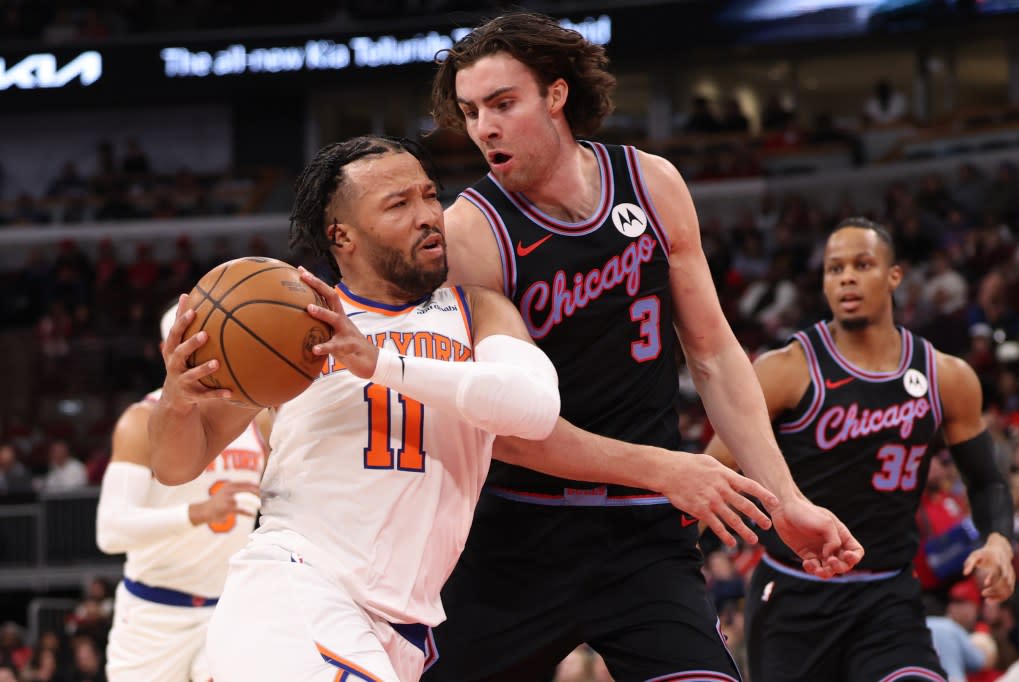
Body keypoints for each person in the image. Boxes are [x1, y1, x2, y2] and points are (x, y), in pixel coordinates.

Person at [425, 11, 863, 681]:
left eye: (502, 103)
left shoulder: (651, 184)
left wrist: (787, 500)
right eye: (471, 109)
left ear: (556, 94)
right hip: (516, 534)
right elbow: (502, 430)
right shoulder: (471, 233)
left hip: (641, 540)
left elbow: (714, 353)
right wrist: (663, 469)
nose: (483, 126)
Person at [148, 135, 566, 682]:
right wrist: (178, 401)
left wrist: (381, 364)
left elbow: (534, 410)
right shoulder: (294, 327)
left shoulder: (479, 310)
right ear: (341, 235)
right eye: (398, 204)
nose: (427, 216)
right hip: (296, 593)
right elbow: (176, 465)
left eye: (428, 195)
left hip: (399, 626)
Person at [706, 218, 1016, 682]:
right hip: (794, 598)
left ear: (895, 276)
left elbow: (987, 479)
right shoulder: (785, 370)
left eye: (862, 264)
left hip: (888, 598)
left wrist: (998, 539)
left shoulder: (945, 377)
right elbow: (710, 473)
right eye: (834, 268)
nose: (846, 276)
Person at [96, 305, 270, 682]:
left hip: (227, 611)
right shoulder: (141, 420)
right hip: (153, 615)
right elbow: (110, 531)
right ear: (167, 350)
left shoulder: (257, 416)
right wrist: (196, 513)